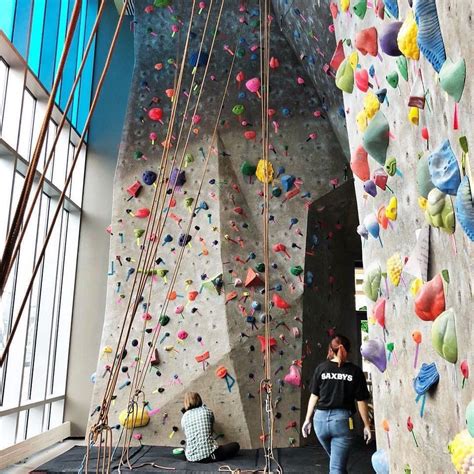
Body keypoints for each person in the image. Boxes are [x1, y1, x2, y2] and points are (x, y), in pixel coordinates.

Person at [302, 335, 372, 474]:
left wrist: (307, 420)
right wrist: (366, 425)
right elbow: (361, 402)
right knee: (336, 468)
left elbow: (314, 396)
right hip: (341, 422)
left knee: (337, 464)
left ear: (330, 350)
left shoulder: (321, 368)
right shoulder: (355, 371)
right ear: (349, 350)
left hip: (319, 421)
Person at [180, 392, 240, 463]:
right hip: (210, 455)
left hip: (191, 458)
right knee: (235, 445)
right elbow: (210, 431)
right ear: (199, 399)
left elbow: (188, 435)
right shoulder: (207, 411)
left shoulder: (184, 417)